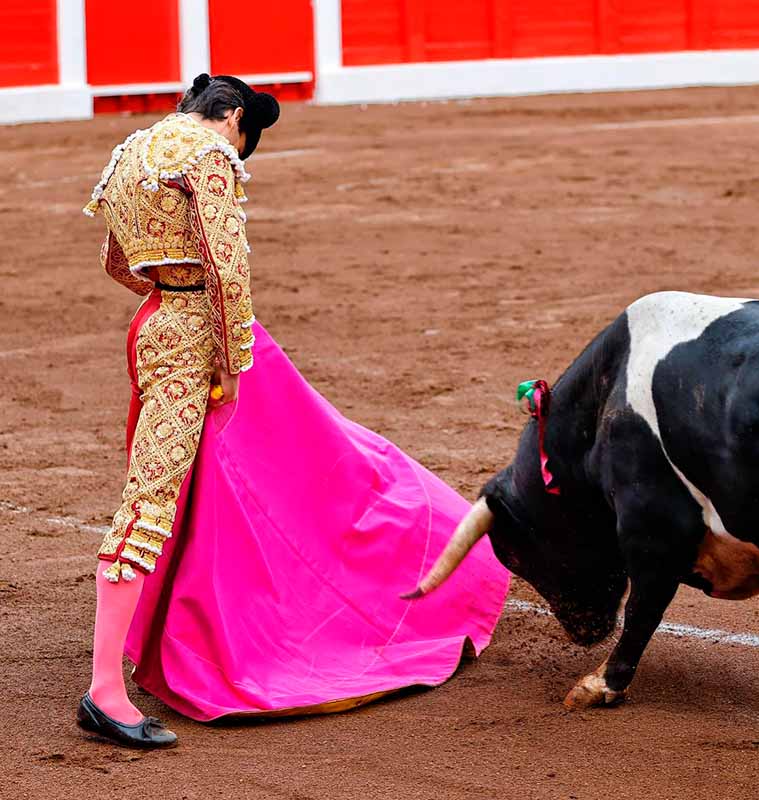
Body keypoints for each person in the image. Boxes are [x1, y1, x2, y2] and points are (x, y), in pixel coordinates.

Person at [79, 74, 509, 748]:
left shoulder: (133, 151)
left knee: (168, 490)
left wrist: (162, 291)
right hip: (191, 334)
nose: (238, 148)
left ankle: (130, 659)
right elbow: (228, 268)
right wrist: (230, 358)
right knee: (152, 501)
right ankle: (105, 689)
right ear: (234, 117)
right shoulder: (207, 154)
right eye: (245, 137)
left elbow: (115, 261)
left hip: (150, 323)